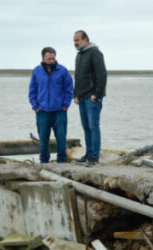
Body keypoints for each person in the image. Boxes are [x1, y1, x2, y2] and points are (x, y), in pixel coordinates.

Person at [29, 47, 73, 163]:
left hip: (59, 111)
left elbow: (69, 89)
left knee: (61, 138)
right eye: (49, 59)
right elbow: (32, 91)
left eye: (53, 58)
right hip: (42, 111)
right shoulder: (37, 71)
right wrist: (36, 107)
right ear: (43, 58)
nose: (51, 61)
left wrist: (65, 105)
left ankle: (62, 161)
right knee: (43, 139)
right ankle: (44, 162)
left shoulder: (62, 71)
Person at [73, 30, 107, 166]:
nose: (75, 43)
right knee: (86, 127)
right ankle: (88, 155)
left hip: (92, 98)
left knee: (94, 126)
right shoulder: (79, 55)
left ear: (86, 40)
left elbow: (102, 75)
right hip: (81, 97)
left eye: (78, 40)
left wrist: (98, 95)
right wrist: (75, 95)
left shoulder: (95, 53)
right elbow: (78, 77)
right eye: (74, 41)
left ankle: (94, 157)